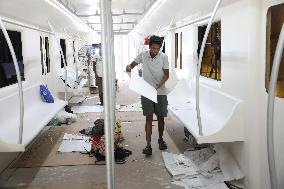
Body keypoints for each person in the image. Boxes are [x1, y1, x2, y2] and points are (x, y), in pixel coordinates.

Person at [126, 35, 169, 155]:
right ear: (149, 47)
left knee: (161, 117)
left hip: (160, 92)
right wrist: (129, 67)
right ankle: (148, 145)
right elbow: (132, 65)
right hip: (146, 92)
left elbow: (166, 75)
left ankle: (161, 140)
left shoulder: (164, 57)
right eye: (153, 48)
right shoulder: (143, 55)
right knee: (148, 118)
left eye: (157, 48)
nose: (155, 51)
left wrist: (158, 86)